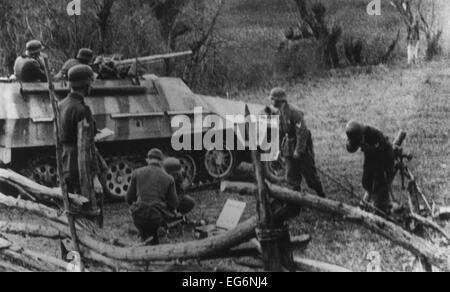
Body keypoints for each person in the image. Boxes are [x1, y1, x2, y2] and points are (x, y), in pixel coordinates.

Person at [269, 87, 326, 198]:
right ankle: (297, 201)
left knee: (310, 174)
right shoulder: (278, 113)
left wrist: (299, 150)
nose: (271, 101)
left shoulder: (294, 112)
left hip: (302, 143)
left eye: (273, 99)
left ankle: (322, 196)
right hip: (289, 144)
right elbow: (280, 132)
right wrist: (279, 148)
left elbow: (302, 132)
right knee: (291, 175)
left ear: (280, 100)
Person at [59, 64, 102, 195]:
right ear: (86, 84)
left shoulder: (61, 104)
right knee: (89, 205)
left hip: (65, 160)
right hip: (80, 164)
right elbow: (88, 146)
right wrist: (95, 178)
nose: (92, 86)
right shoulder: (82, 110)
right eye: (91, 82)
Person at [126, 149, 179, 244]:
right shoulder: (168, 178)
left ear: (148, 160)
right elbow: (174, 204)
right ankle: (160, 231)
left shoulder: (136, 173)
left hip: (139, 218)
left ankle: (143, 233)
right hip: (157, 218)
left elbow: (129, 198)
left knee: (140, 211)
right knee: (161, 215)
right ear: (161, 162)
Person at [345, 121, 396, 213]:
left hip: (384, 158)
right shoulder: (358, 135)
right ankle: (365, 204)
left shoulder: (374, 135)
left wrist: (364, 145)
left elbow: (379, 152)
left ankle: (381, 208)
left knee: (379, 185)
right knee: (366, 180)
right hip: (371, 158)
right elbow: (351, 148)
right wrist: (353, 143)